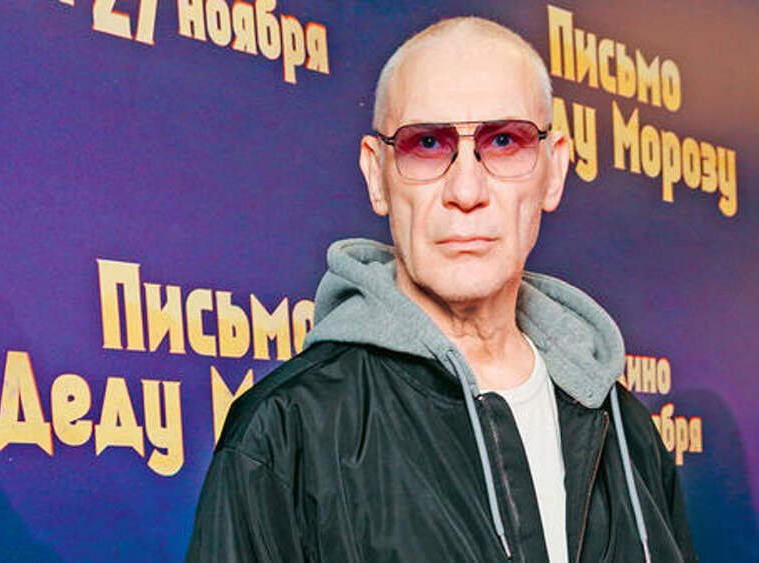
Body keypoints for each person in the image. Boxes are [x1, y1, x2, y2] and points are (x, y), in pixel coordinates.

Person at [187, 16, 697, 563]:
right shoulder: (284, 432)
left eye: (504, 141)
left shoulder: (625, 430)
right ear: (377, 176)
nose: (467, 190)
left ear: (553, 172)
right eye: (427, 143)